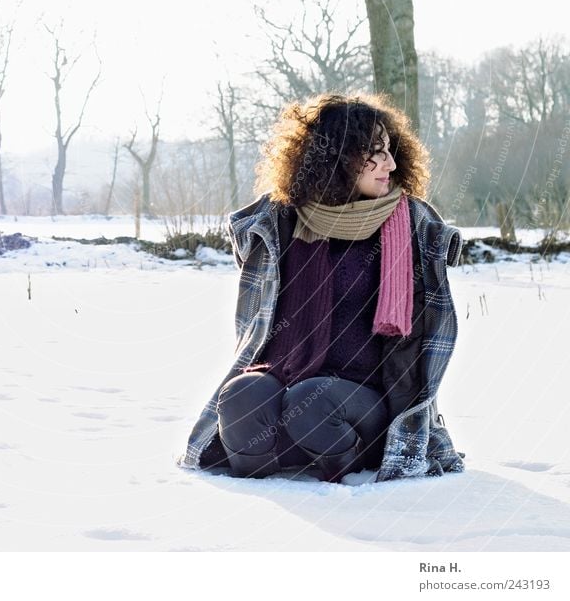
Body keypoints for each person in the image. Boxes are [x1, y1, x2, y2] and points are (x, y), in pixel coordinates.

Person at [176, 92, 465, 483]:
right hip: (285, 373)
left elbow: (436, 273)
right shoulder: (284, 219)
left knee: (313, 400)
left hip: (365, 401)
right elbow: (247, 246)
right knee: (241, 397)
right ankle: (267, 493)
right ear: (338, 157)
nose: (391, 164)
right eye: (375, 153)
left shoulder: (409, 224)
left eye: (391, 151)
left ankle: (344, 478)